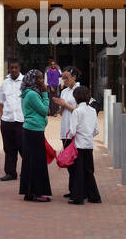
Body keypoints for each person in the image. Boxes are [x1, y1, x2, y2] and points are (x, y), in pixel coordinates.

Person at [18, 69, 53, 202]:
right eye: (38, 79)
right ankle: (37, 193)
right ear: (32, 80)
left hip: (31, 130)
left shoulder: (27, 93)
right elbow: (44, 111)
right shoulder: (32, 94)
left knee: (31, 161)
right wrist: (45, 94)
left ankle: (29, 192)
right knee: (38, 162)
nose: (41, 81)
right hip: (34, 130)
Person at [67, 85, 102, 205]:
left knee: (78, 171)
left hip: (78, 144)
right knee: (89, 171)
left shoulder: (77, 111)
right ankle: (94, 196)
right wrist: (88, 135)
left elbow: (72, 131)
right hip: (89, 144)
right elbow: (96, 130)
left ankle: (78, 197)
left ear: (77, 98)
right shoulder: (92, 111)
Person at [51, 67, 80, 197]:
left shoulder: (80, 90)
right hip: (65, 130)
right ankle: (73, 188)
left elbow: (81, 111)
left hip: (75, 130)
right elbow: (62, 113)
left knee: (75, 162)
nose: (65, 80)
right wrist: (60, 105)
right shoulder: (64, 91)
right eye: (63, 78)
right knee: (68, 161)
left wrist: (66, 104)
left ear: (74, 77)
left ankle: (77, 190)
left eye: (67, 78)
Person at [0, 60, 24, 181]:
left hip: (21, 120)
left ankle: (26, 171)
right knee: (9, 148)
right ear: (8, 68)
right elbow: (1, 102)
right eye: (11, 67)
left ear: (19, 68)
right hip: (7, 120)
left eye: (16, 67)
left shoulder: (25, 82)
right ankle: (10, 173)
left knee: (24, 148)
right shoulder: (5, 83)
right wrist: (1, 119)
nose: (13, 70)